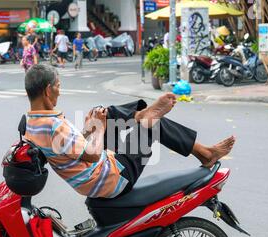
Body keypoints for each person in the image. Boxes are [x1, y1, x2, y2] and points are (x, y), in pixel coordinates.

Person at [24, 65, 236, 199]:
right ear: (47, 90)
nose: (60, 92)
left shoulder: (34, 122)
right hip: (109, 179)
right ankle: (206, 154)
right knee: (153, 125)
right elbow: (91, 154)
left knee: (107, 112)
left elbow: (67, 147)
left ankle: (141, 114)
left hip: (95, 171)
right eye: (58, 86)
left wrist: (89, 128)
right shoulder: (53, 126)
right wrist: (98, 130)